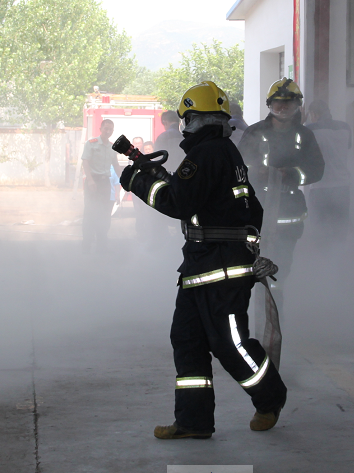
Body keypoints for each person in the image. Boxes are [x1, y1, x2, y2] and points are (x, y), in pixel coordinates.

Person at [121, 81, 287, 440]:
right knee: (187, 339)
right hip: (203, 266)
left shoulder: (208, 153)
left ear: (191, 118)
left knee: (230, 345)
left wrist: (137, 182)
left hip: (220, 269)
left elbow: (179, 203)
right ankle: (193, 421)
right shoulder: (221, 151)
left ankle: (270, 398)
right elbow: (223, 203)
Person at [238, 78, 324, 301]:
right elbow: (237, 168)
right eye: (278, 102)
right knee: (250, 267)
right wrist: (257, 173)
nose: (283, 107)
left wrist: (291, 174)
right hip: (256, 215)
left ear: (297, 105)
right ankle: (256, 309)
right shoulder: (254, 133)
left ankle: (275, 310)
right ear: (270, 104)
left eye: (288, 102)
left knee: (280, 269)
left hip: (289, 217)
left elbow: (316, 170)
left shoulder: (305, 136)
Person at [304, 99, 352, 241]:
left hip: (320, 187)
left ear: (314, 113)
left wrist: (299, 123)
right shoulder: (345, 128)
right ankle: (340, 254)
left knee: (319, 231)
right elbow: (348, 147)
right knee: (340, 230)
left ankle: (323, 254)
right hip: (342, 187)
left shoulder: (311, 129)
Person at [81, 119, 122, 252]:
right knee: (90, 213)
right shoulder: (91, 143)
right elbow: (85, 162)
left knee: (104, 214)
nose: (108, 131)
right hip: (93, 182)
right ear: (100, 129)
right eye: (106, 129)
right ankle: (86, 245)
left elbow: (116, 165)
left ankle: (102, 245)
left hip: (105, 183)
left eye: (110, 129)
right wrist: (90, 180)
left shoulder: (112, 147)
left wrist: (125, 181)